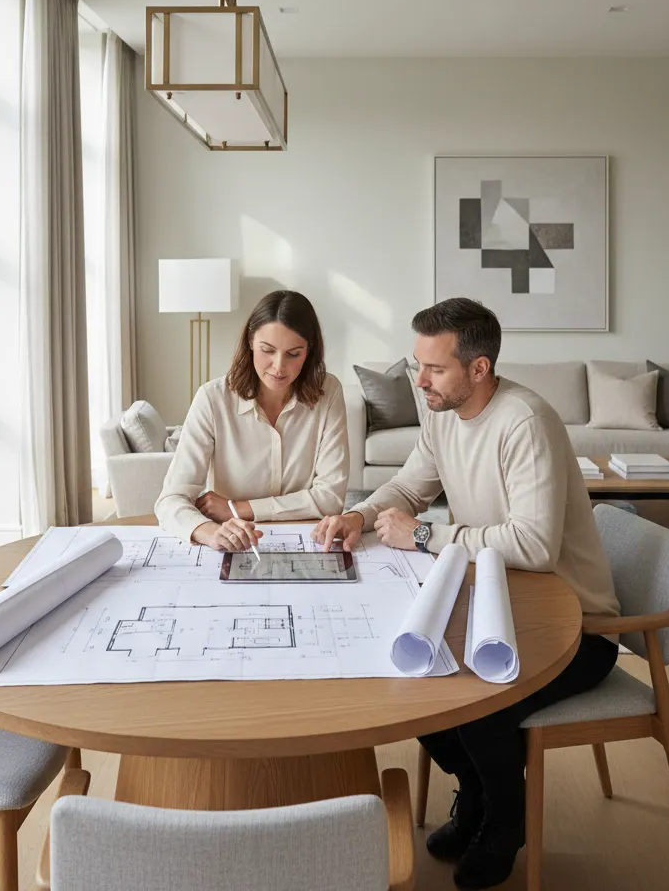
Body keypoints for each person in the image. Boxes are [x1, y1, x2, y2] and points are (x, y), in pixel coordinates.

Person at [312, 297, 620, 890]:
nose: (418, 381)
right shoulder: (441, 413)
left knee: (477, 708)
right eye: (416, 364)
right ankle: (479, 795)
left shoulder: (524, 422)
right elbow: (409, 485)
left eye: (434, 368)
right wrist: (360, 514)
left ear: (478, 370)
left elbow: (533, 547)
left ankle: (505, 823)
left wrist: (424, 534)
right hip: (499, 603)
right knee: (416, 679)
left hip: (575, 626)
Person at [156, 289, 349, 552]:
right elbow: (171, 500)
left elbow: (330, 499)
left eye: (293, 354)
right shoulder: (212, 400)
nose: (279, 367)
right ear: (249, 341)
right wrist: (210, 532)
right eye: (267, 350)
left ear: (309, 350)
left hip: (309, 542)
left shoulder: (329, 392)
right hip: (236, 545)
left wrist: (237, 508)